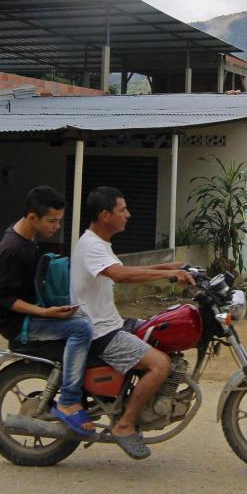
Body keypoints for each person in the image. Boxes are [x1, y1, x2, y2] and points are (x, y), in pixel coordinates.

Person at [70, 186, 195, 460]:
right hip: (99, 331)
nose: (128, 214)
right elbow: (120, 274)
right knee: (160, 364)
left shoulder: (100, 243)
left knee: (161, 331)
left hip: (111, 322)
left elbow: (127, 269)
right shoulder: (92, 245)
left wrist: (174, 267)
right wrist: (169, 274)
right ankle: (125, 425)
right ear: (105, 215)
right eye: (122, 210)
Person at [0, 186, 96, 438]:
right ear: (32, 217)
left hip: (32, 313)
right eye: (52, 221)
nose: (56, 226)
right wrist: (45, 313)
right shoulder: (14, 249)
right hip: (19, 323)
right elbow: (5, 298)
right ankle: (69, 400)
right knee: (81, 329)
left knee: (89, 320)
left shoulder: (25, 239)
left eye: (59, 220)